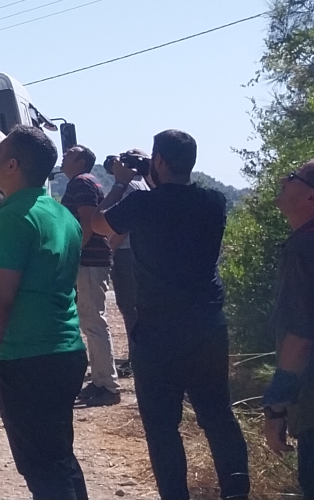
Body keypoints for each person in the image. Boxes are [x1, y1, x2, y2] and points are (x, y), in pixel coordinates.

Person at [92, 130, 250, 500]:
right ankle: (236, 492)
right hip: (207, 324)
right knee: (218, 416)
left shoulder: (142, 204)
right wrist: (154, 176)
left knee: (162, 427)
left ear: (159, 160)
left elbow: (98, 225)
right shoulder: (213, 201)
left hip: (158, 329)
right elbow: (175, 203)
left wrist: (122, 182)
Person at [0, 125, 89, 500]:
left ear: (13, 165)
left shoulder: (13, 219)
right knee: (58, 459)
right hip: (65, 351)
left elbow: (0, 299)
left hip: (29, 359)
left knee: (44, 470)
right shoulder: (62, 216)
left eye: (0, 150)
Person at [262, 159, 314, 500]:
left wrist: (276, 405)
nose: (283, 179)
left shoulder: (308, 249)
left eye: (293, 177)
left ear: (313, 196)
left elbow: (300, 339)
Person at [58, 145, 120, 406]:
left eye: (70, 154)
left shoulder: (82, 183)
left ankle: (107, 385)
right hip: (93, 261)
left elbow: (87, 222)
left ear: (81, 161)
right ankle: (99, 381)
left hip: (89, 262)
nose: (64, 157)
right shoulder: (87, 182)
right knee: (91, 321)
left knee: (93, 322)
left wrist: (73, 254)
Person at [101, 149, 152, 377]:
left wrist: (109, 251)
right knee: (136, 309)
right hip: (137, 252)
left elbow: (121, 227)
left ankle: (135, 359)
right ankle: (140, 356)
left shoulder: (129, 186)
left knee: (129, 308)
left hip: (125, 253)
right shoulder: (143, 184)